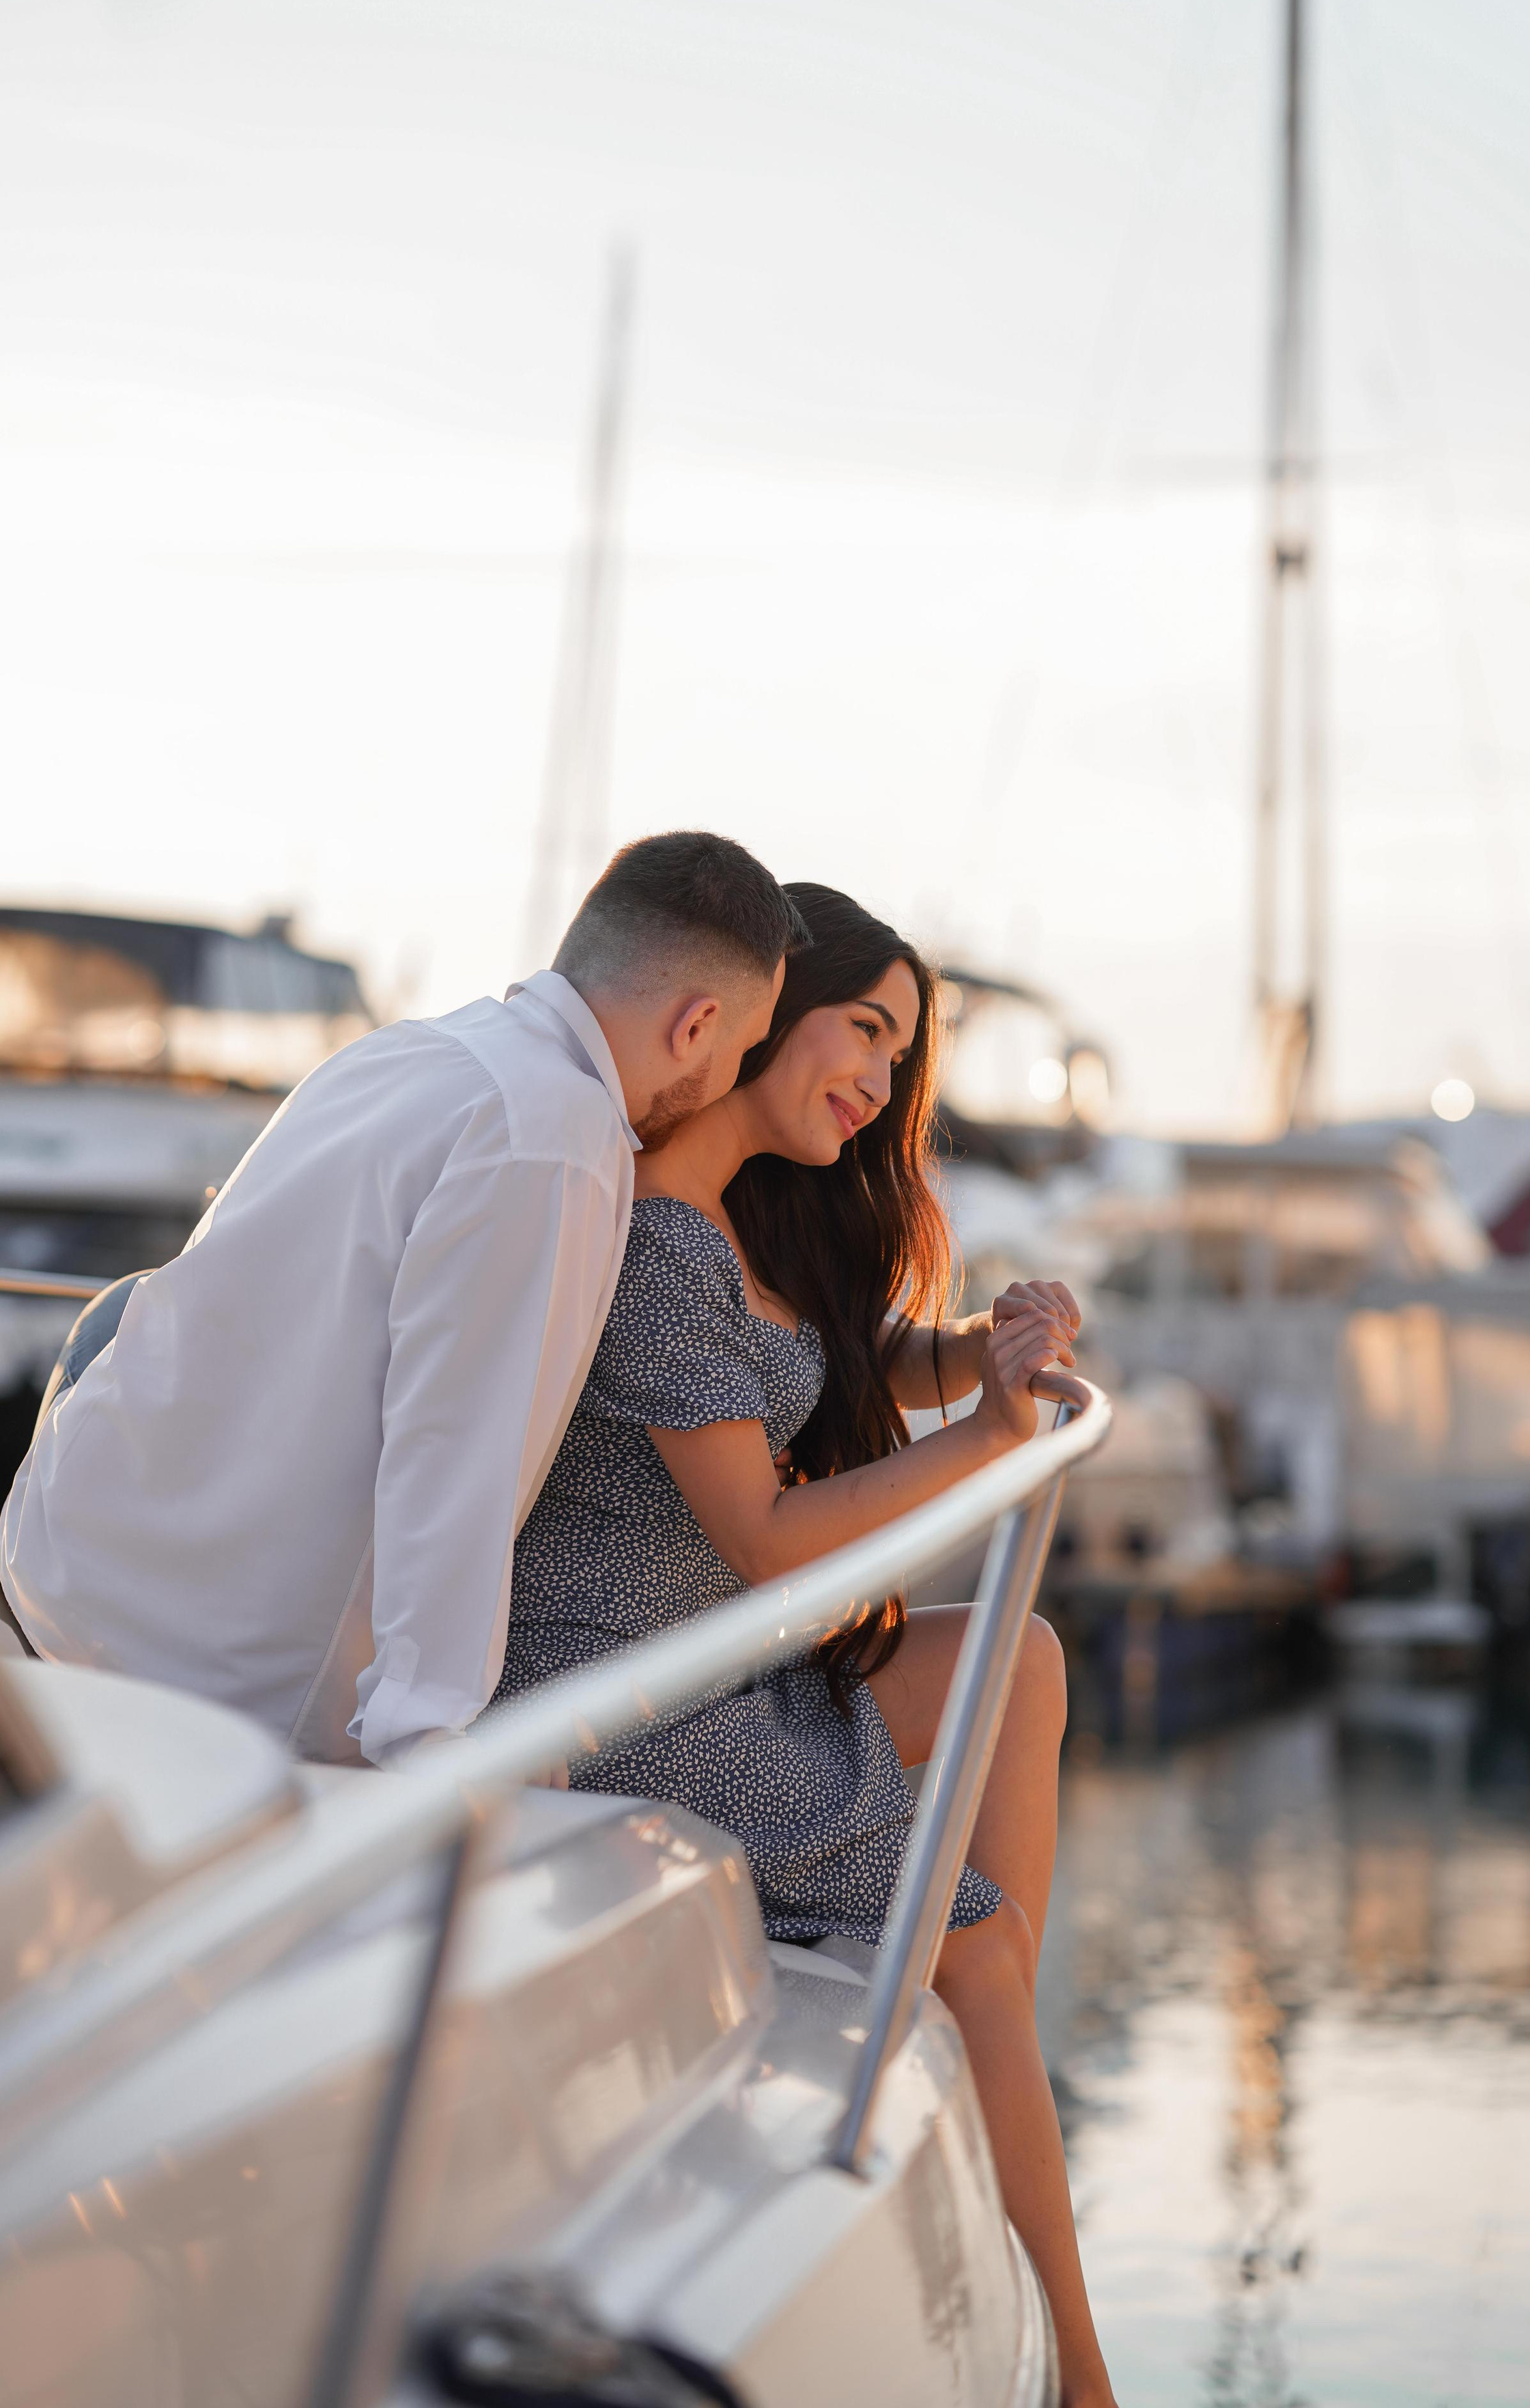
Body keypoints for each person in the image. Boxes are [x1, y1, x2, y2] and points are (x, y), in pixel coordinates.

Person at [494, 882, 1117, 2408]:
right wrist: (988, 1436)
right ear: (772, 1013)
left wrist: (979, 1351)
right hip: (628, 1703)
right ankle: (1085, 2372)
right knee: (975, 1942)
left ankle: (980, 2039)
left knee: (1020, 1659)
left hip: (720, 1672)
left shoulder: (737, 1215)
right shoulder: (660, 1241)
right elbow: (768, 1539)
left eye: (905, 1057)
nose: (884, 1081)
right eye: (868, 1032)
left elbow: (835, 1358)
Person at [0, 832, 805, 1767]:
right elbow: (460, 1444)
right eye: (745, 1049)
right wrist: (426, 1734)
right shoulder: (556, 1135)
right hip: (212, 1673)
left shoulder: (414, 1049)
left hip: (66, 1561)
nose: (730, 1083)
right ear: (697, 1026)